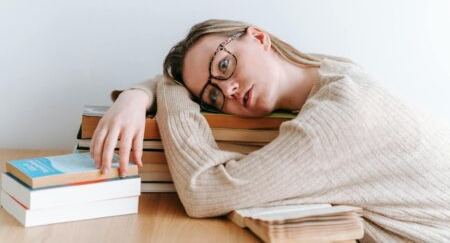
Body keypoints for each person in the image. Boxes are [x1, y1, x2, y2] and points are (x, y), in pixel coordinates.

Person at [90, 19, 450, 242]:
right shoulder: (331, 71)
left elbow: (205, 191)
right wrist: (138, 94)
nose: (227, 90)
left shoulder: (338, 117)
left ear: (259, 37)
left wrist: (166, 87)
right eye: (212, 96)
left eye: (226, 65)